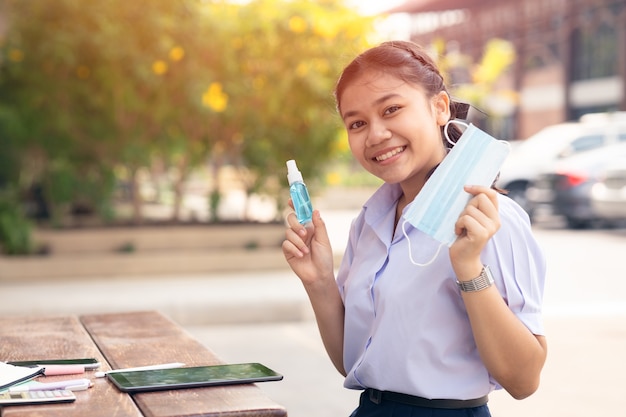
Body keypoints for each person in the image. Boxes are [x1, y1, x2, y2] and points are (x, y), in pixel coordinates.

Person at [282, 40, 547, 417]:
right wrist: (320, 280)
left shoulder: (488, 219)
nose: (375, 135)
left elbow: (524, 380)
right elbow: (354, 361)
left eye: (391, 109)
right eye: (356, 123)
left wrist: (469, 267)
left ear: (439, 108)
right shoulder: (370, 221)